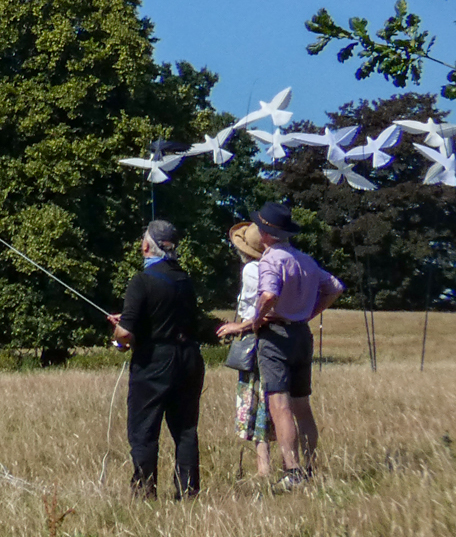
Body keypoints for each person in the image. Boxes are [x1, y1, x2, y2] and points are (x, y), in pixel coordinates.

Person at [232, 202, 343, 488]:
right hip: (302, 334)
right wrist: (309, 312)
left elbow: (269, 295)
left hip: (276, 336)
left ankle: (292, 471)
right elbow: (334, 287)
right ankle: (310, 467)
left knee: (279, 405)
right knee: (302, 405)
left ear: (266, 234)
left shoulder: (271, 259)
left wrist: (257, 320)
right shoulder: (305, 260)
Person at [105, 219, 204, 499]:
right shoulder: (185, 279)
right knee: (185, 429)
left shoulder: (142, 281)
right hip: (188, 358)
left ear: (147, 246)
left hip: (154, 361)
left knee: (144, 430)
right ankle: (188, 492)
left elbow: (125, 334)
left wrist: (119, 333)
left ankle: (145, 492)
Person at [216, 222, 276, 481]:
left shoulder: (252, 269)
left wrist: (238, 326)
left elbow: (254, 308)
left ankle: (263, 467)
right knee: (271, 400)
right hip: (275, 338)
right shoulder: (276, 266)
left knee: (258, 401)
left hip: (255, 337)